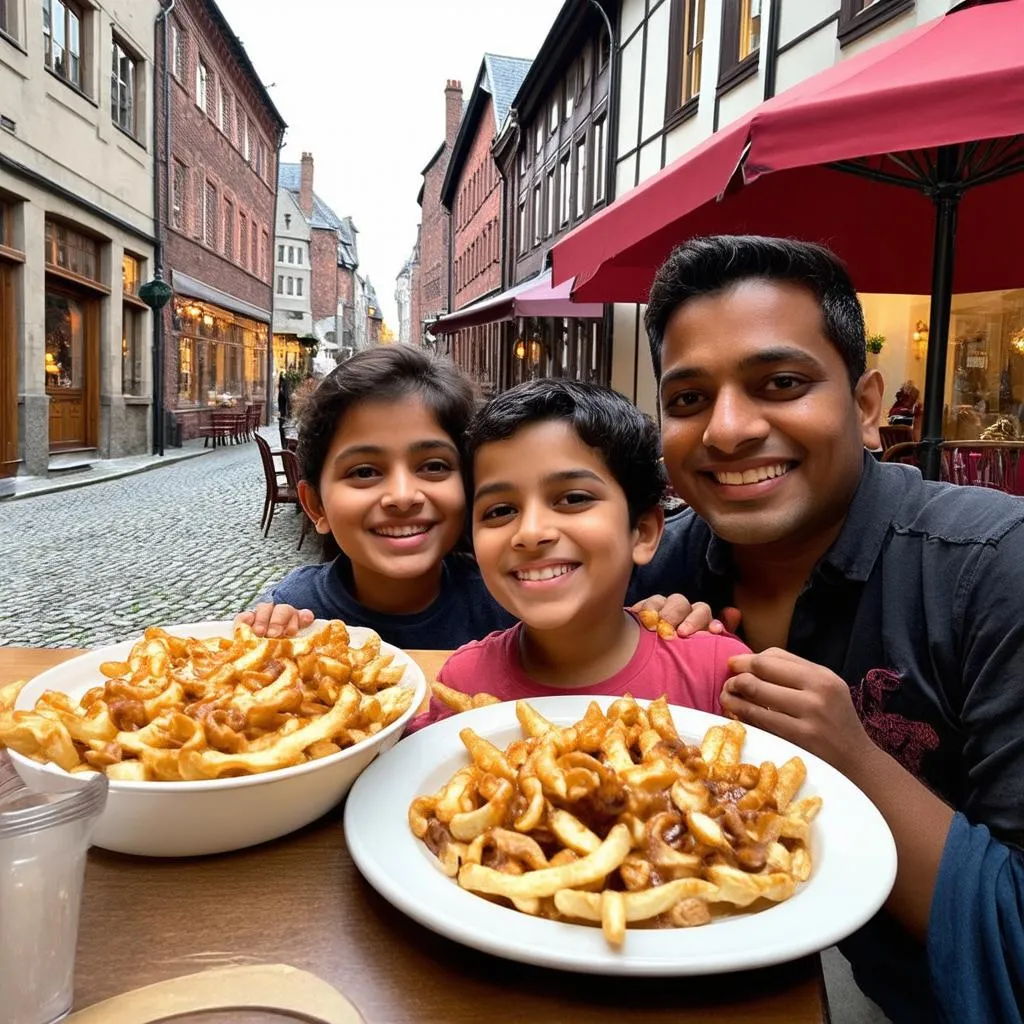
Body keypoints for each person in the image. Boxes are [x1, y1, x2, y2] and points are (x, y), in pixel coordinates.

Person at [635, 235, 1024, 1023]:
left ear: (867, 403)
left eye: (780, 383)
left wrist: (849, 759)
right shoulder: (655, 573)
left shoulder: (995, 570)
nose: (729, 430)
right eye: (687, 400)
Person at [239, 348, 717, 650]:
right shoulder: (296, 611)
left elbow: (608, 623)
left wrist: (667, 616)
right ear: (316, 505)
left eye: (433, 466)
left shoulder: (518, 590)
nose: (403, 496)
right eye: (364, 472)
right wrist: (259, 636)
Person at [410, 379, 750, 731]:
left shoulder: (717, 672)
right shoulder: (462, 681)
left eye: (573, 499)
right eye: (499, 511)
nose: (531, 532)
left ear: (643, 532)